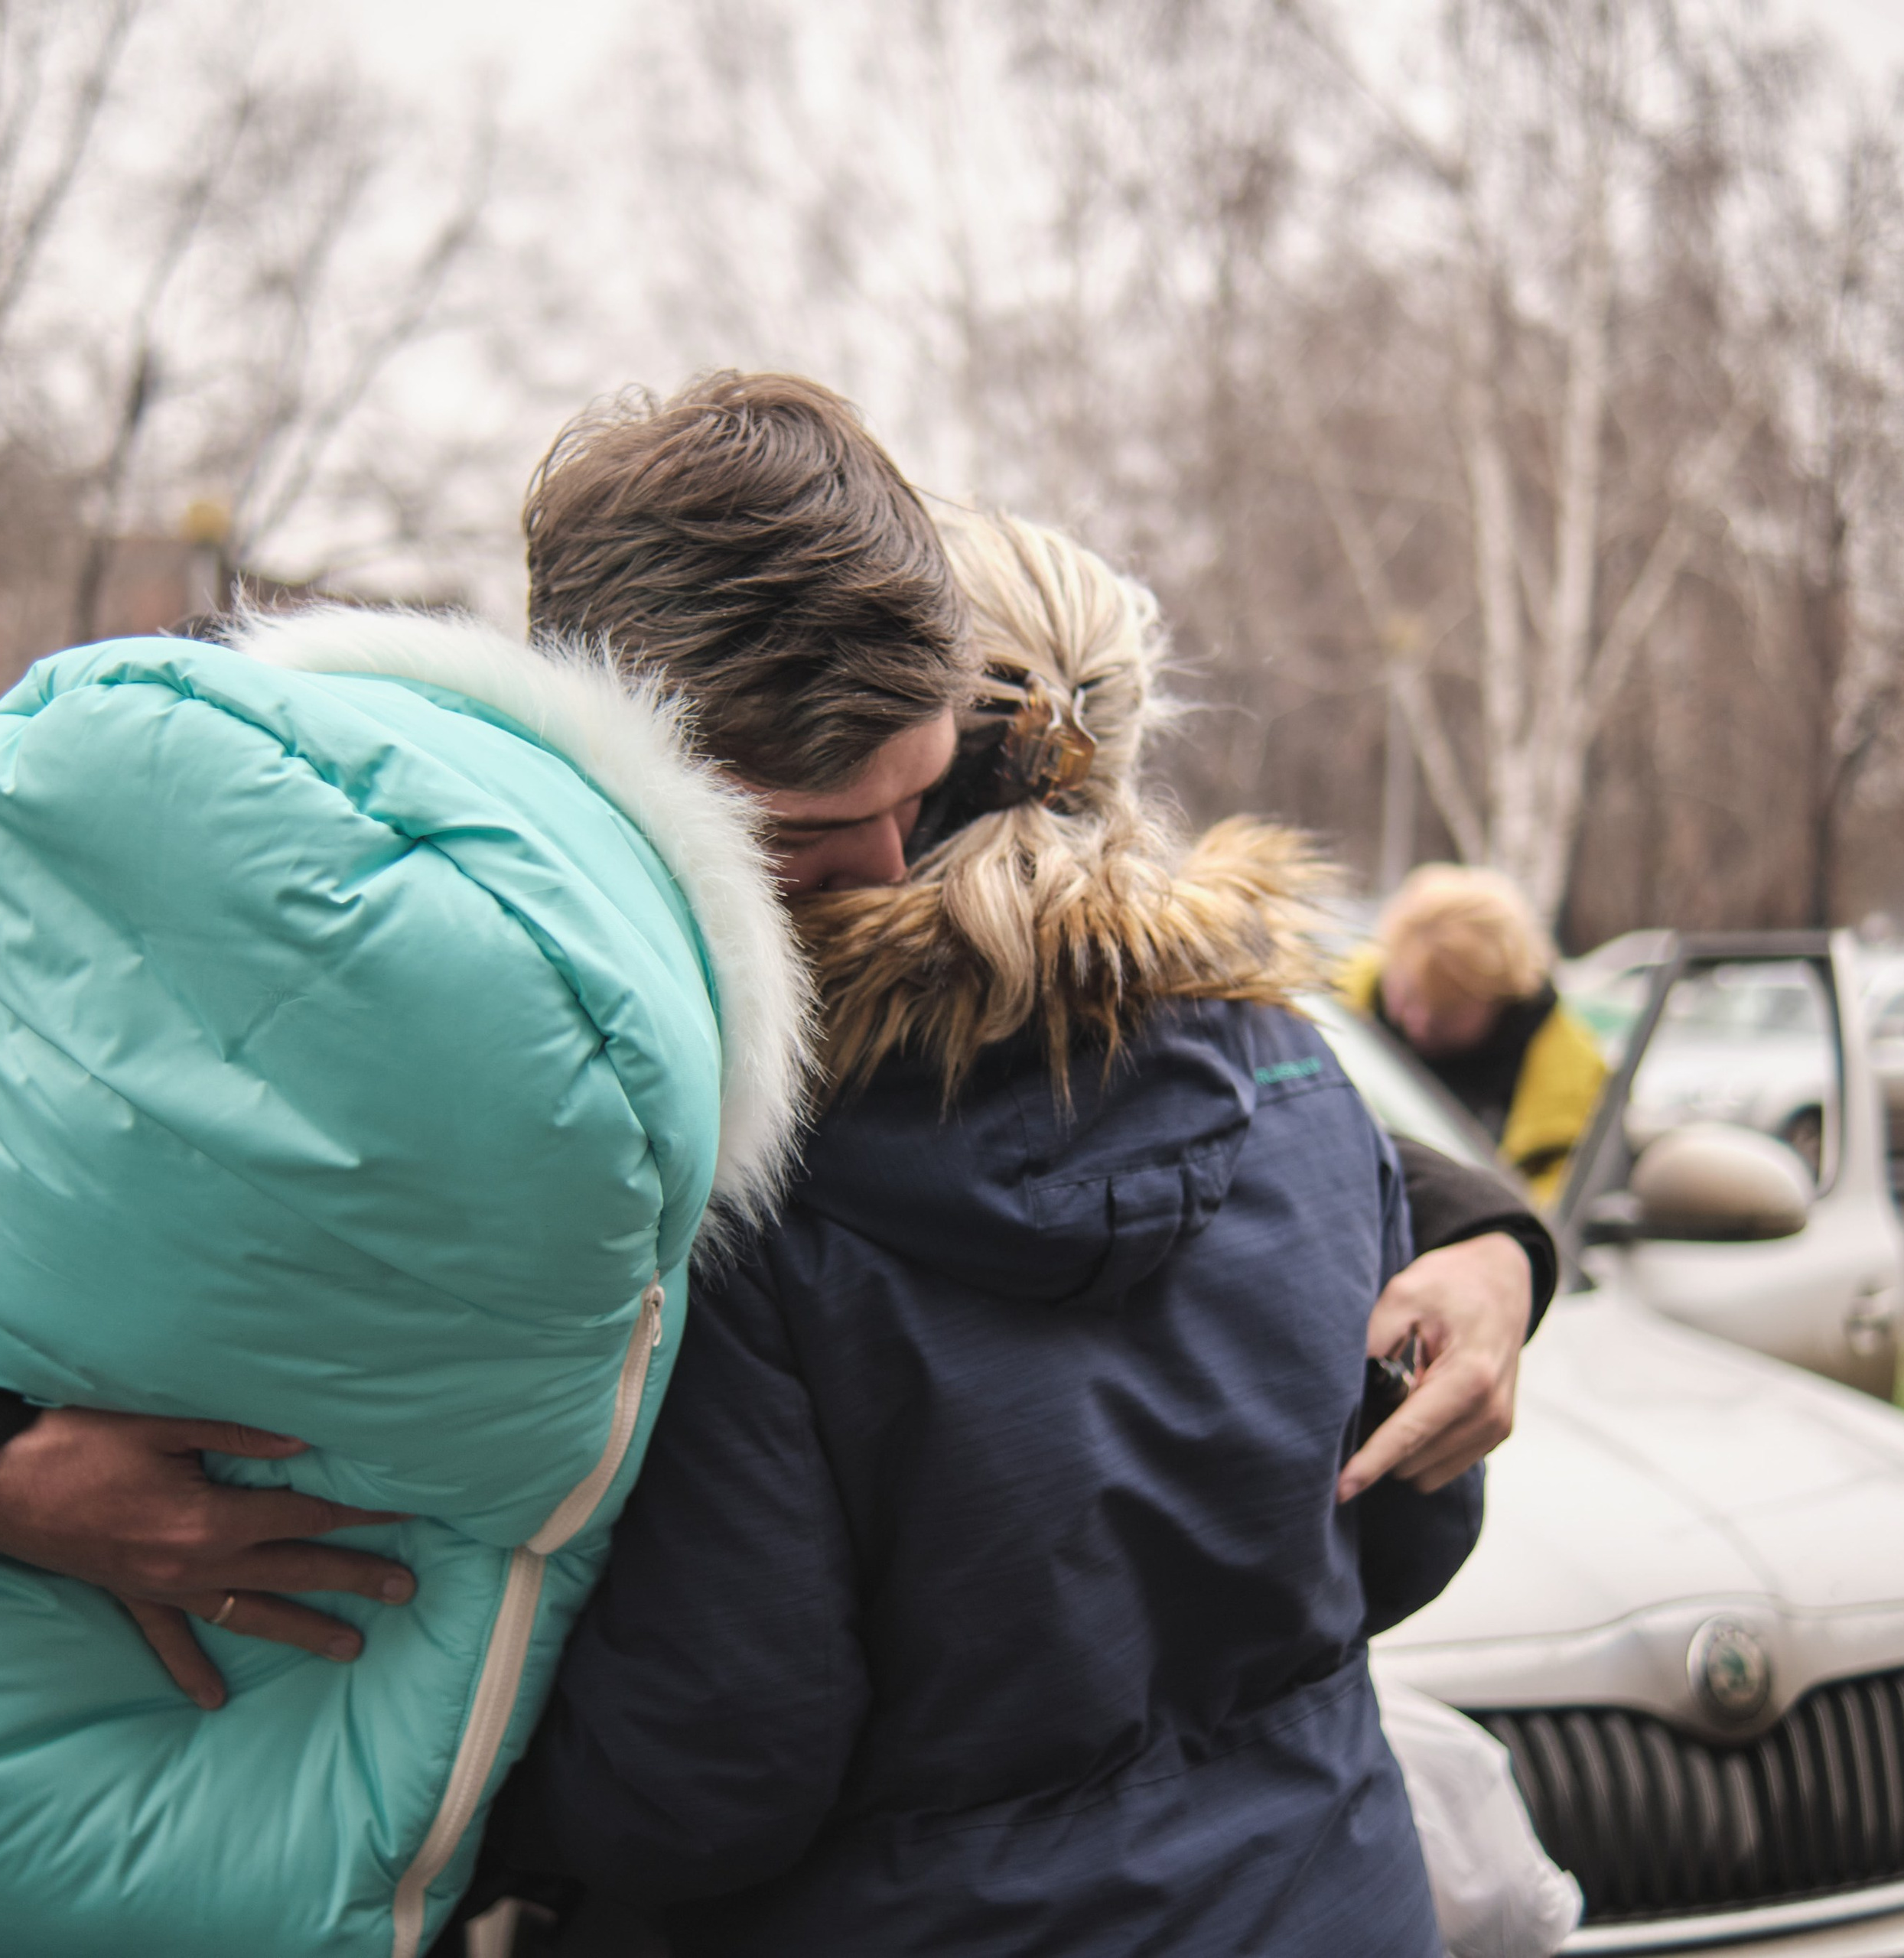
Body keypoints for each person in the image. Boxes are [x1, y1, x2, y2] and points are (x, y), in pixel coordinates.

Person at [0, 373, 969, 1955]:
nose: (898, 871)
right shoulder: (115, 872)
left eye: (928, 799)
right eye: (828, 825)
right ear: (668, 766)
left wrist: (1414, 1228)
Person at [470, 512, 1522, 1958]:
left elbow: (717, 1766)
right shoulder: (1297, 1075)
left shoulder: (750, 1184)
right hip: (1331, 1904)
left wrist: (489, 1822)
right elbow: (1411, 1528)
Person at [1342, 864, 1609, 1203]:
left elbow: (1550, 1214)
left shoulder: (1573, 1086)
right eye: (1405, 997)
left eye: (1446, 1014)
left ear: (1503, 1001)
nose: (1417, 1022)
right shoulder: (1329, 1009)